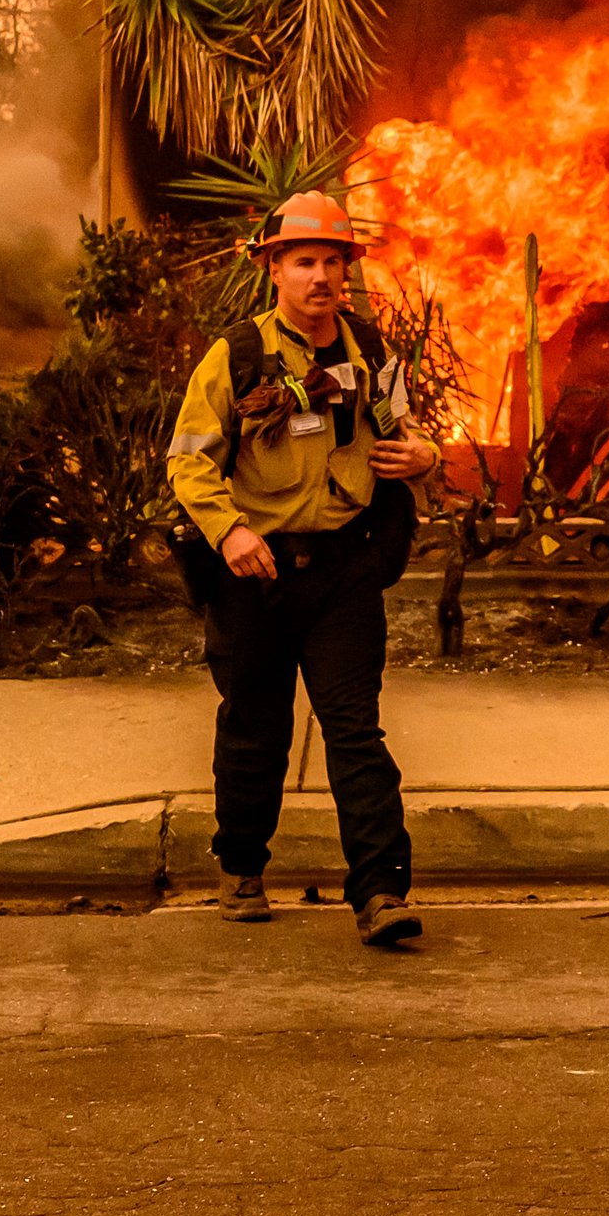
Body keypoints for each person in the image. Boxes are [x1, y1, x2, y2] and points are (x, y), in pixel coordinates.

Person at [164, 191, 449, 947]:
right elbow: (188, 463)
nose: (320, 276)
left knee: (355, 730)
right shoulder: (237, 356)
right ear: (273, 270)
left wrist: (424, 456)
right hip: (255, 574)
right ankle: (242, 868)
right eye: (304, 261)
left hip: (343, 572)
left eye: (331, 261)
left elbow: (404, 429)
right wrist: (227, 533)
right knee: (255, 728)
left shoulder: (368, 350)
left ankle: (381, 892)